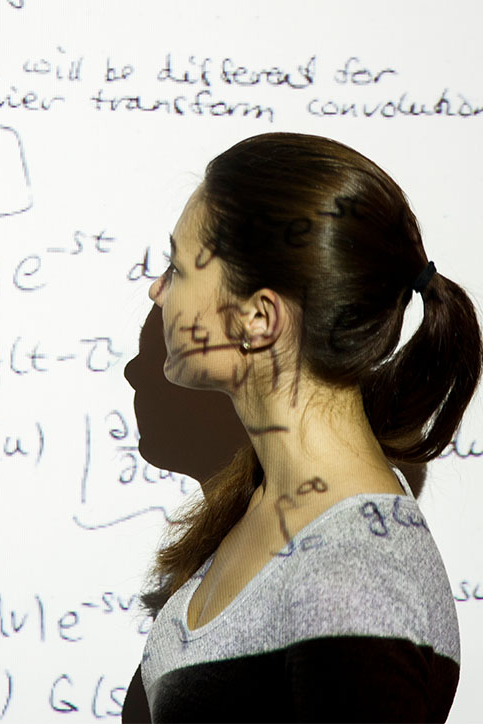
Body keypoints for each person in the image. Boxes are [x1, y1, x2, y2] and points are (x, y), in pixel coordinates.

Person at [123, 133, 479, 723]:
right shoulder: (263, 505)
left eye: (177, 268)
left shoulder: (360, 579)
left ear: (259, 318)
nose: (157, 291)